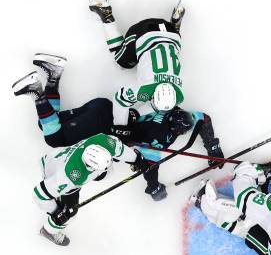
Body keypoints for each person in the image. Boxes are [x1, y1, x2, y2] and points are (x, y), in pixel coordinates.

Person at [12, 54, 224, 201]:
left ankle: (54, 75)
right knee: (54, 138)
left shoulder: (172, 109)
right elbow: (150, 165)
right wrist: (154, 187)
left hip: (105, 108)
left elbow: (203, 118)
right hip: (102, 123)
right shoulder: (161, 137)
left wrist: (212, 147)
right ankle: (38, 93)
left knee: (48, 123)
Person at [31, 132, 149, 246]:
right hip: (53, 170)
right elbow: (39, 194)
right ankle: (48, 231)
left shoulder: (104, 142)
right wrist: (57, 212)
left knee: (108, 172)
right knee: (70, 215)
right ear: (89, 167)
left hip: (58, 156)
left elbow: (120, 149)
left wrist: (137, 159)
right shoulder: (70, 177)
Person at [88, 0, 186, 127]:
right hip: (144, 31)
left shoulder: (179, 95)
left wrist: (137, 115)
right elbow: (119, 100)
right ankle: (105, 12)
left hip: (172, 35)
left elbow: (157, 105)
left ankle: (174, 25)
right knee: (121, 62)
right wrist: (120, 127)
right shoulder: (145, 88)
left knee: (173, 48)